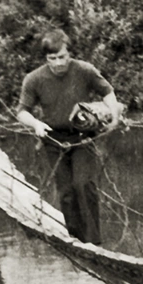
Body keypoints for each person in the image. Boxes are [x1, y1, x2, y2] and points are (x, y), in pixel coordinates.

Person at [16, 29, 122, 244]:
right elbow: (22, 112)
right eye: (52, 58)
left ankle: (94, 242)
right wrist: (36, 123)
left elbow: (107, 92)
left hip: (83, 136)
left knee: (84, 184)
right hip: (53, 139)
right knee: (66, 192)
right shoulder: (34, 79)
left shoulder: (85, 70)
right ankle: (76, 240)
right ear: (46, 58)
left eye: (62, 57)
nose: (57, 63)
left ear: (70, 54)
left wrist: (114, 117)